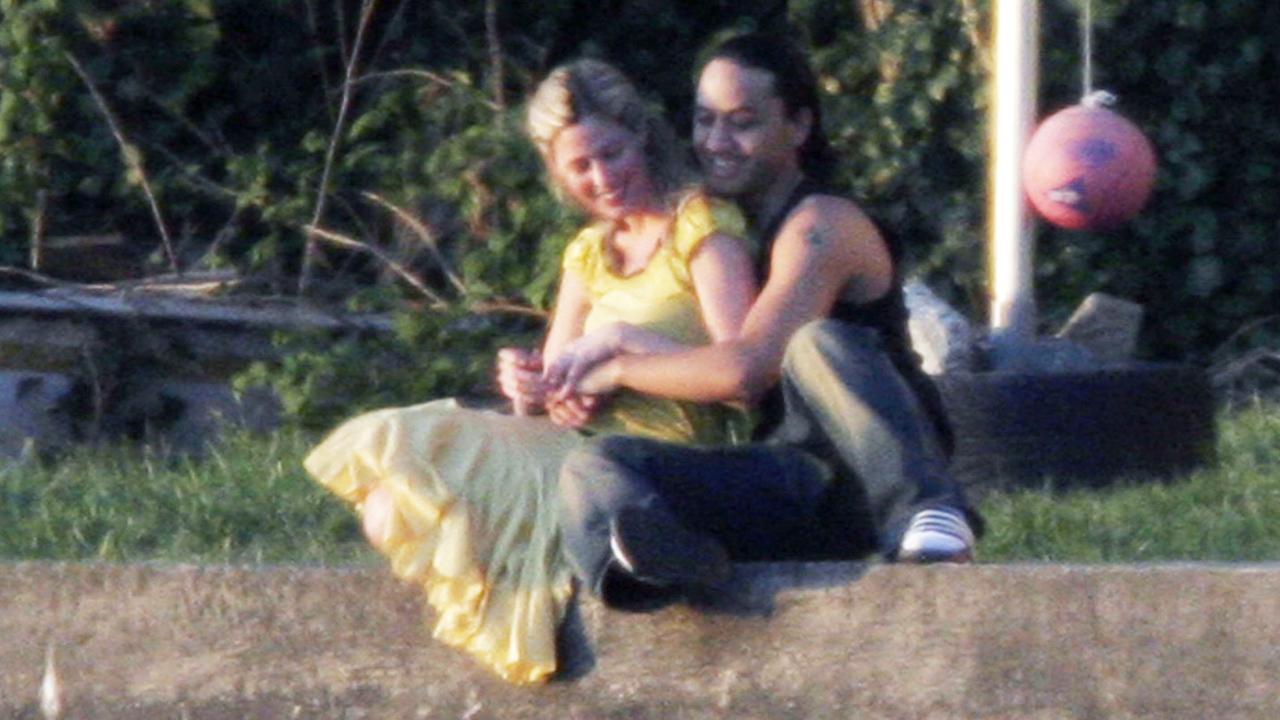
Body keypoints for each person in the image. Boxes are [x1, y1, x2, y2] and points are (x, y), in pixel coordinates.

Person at [303, 58, 758, 684]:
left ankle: (591, 548)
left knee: (404, 495)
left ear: (642, 139)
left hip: (655, 454)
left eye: (612, 154)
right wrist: (532, 384)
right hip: (568, 444)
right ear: (557, 172)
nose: (602, 178)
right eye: (580, 166)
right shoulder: (587, 253)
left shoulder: (702, 227)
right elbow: (549, 394)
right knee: (387, 498)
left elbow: (741, 370)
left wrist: (623, 350)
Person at [548, 33, 984, 609]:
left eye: (742, 122)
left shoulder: (822, 224)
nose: (717, 142)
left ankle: (929, 510)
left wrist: (620, 360)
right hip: (789, 481)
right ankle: (652, 569)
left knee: (814, 342)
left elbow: (746, 371)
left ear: (798, 127)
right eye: (705, 121)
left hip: (858, 475)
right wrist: (553, 381)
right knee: (596, 464)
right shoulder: (722, 230)